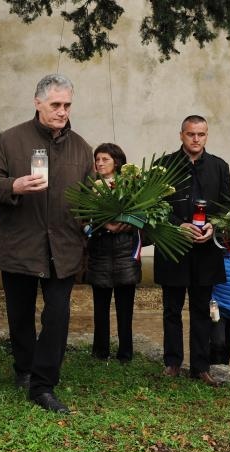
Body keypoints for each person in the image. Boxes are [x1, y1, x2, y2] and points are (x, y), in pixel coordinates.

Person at [0, 74, 93, 414]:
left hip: (64, 249)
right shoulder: (11, 140)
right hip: (20, 245)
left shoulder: (81, 147)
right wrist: (13, 186)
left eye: (67, 105)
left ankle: (43, 385)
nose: (62, 111)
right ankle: (24, 368)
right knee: (20, 316)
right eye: (55, 104)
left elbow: (88, 199)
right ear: (37, 102)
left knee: (57, 316)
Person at [154, 115, 230, 387]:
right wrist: (179, 225)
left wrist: (213, 225)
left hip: (205, 250)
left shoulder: (220, 167)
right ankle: (172, 362)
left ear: (206, 135)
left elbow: (227, 206)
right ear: (181, 135)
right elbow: (155, 206)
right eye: (191, 134)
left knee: (201, 309)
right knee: (171, 309)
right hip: (173, 248)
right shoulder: (163, 166)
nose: (196, 139)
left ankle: (201, 366)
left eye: (201, 134)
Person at [85, 143, 140, 363]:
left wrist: (127, 223)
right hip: (100, 251)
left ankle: (125, 353)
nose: (99, 163)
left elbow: (142, 215)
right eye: (97, 159)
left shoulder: (131, 186)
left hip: (125, 251)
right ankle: (100, 352)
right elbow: (83, 219)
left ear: (116, 162)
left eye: (104, 159)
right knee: (100, 307)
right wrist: (102, 225)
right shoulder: (90, 188)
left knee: (125, 308)